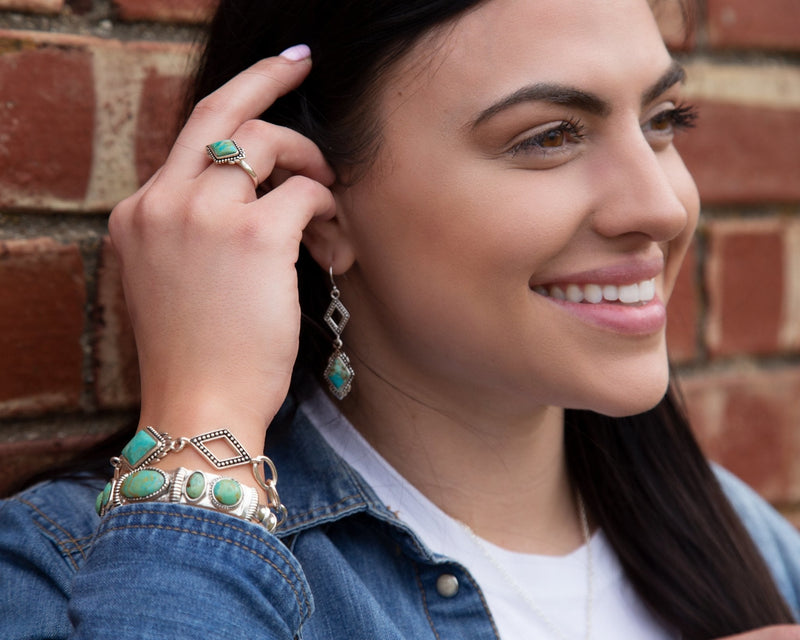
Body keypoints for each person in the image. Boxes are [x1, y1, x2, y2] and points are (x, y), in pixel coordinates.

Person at [1, 0, 799, 638]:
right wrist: (206, 417)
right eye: (550, 136)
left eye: (664, 120)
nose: (660, 207)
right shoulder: (64, 573)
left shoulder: (753, 546)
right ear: (318, 210)